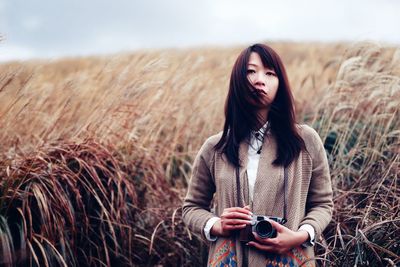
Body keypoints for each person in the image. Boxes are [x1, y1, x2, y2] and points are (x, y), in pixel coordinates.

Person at [182, 43, 333, 267]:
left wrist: (300, 235)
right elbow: (191, 208)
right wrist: (216, 225)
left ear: (280, 84)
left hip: (291, 259)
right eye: (250, 71)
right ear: (237, 82)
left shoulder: (305, 140)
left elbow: (323, 204)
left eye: (270, 73)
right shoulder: (215, 147)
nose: (259, 79)